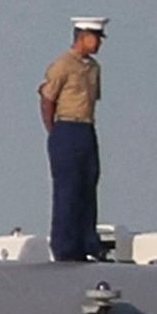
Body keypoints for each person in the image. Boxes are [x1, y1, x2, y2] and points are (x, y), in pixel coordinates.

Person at [41, 16, 107, 262]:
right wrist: (54, 129)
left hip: (86, 127)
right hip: (66, 126)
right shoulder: (62, 65)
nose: (98, 43)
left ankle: (87, 241)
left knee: (87, 184)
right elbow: (47, 98)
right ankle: (65, 245)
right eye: (95, 37)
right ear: (82, 36)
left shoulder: (93, 68)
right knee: (67, 188)